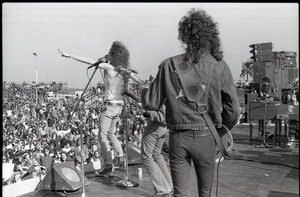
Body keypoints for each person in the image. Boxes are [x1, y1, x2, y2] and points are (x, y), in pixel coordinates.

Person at [140, 8, 240, 197]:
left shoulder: (169, 65)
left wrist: (144, 89)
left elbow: (150, 103)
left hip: (178, 138)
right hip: (206, 138)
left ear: (185, 36)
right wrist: (219, 130)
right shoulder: (220, 66)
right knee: (206, 192)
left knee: (180, 194)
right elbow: (233, 111)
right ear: (211, 36)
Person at [58, 41, 132, 175]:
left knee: (102, 135)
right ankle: (120, 156)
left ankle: (109, 164)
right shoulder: (123, 71)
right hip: (119, 106)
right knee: (111, 133)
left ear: (112, 55)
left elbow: (88, 60)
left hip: (109, 107)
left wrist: (69, 55)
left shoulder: (109, 68)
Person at [141, 104, 173, 197]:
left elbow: (149, 105)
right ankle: (168, 185)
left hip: (156, 124)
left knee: (146, 157)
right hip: (165, 125)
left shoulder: (155, 89)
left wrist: (146, 111)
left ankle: (162, 188)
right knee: (157, 154)